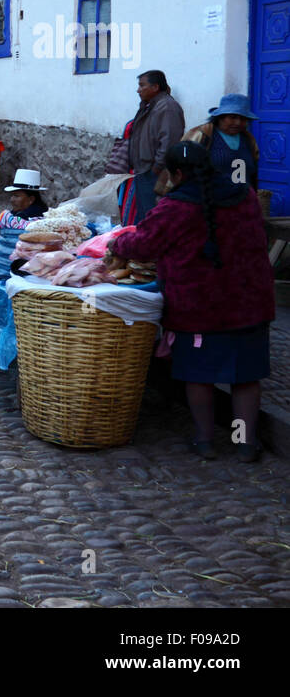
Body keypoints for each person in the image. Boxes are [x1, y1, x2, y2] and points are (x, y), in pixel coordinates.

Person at [109, 141, 274, 462]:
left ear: (178, 173)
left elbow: (142, 244)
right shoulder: (246, 196)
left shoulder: (175, 207)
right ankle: (245, 443)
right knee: (244, 376)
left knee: (200, 375)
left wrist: (117, 242)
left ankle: (204, 440)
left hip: (199, 308)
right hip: (249, 304)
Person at [125, 69, 185, 222]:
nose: (138, 90)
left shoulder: (167, 107)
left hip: (154, 172)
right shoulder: (150, 106)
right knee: (144, 215)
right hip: (144, 169)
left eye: (142, 85)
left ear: (155, 87)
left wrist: (157, 167)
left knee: (152, 217)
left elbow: (169, 140)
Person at [182, 93, 259, 203]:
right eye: (232, 117)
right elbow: (180, 165)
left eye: (243, 119)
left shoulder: (248, 139)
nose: (238, 123)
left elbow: (253, 172)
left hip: (242, 203)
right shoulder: (201, 135)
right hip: (209, 203)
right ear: (219, 117)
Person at [0, 168, 49, 277]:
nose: (12, 200)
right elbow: (0, 232)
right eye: (12, 195)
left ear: (31, 199)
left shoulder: (29, 217)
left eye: (16, 196)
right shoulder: (19, 213)